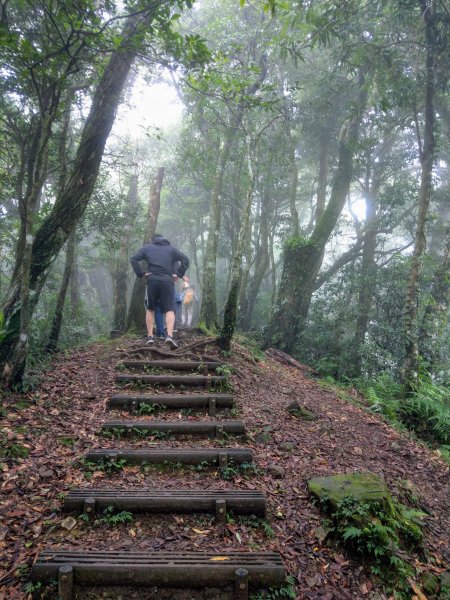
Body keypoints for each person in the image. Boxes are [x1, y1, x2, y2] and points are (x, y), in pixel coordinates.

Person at [130, 234, 189, 348]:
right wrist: (179, 274)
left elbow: (133, 259)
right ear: (165, 240)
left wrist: (141, 273)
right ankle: (169, 336)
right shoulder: (171, 249)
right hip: (167, 281)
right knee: (169, 309)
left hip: (152, 280)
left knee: (151, 308)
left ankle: (150, 337)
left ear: (153, 240)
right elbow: (185, 260)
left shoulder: (147, 248)